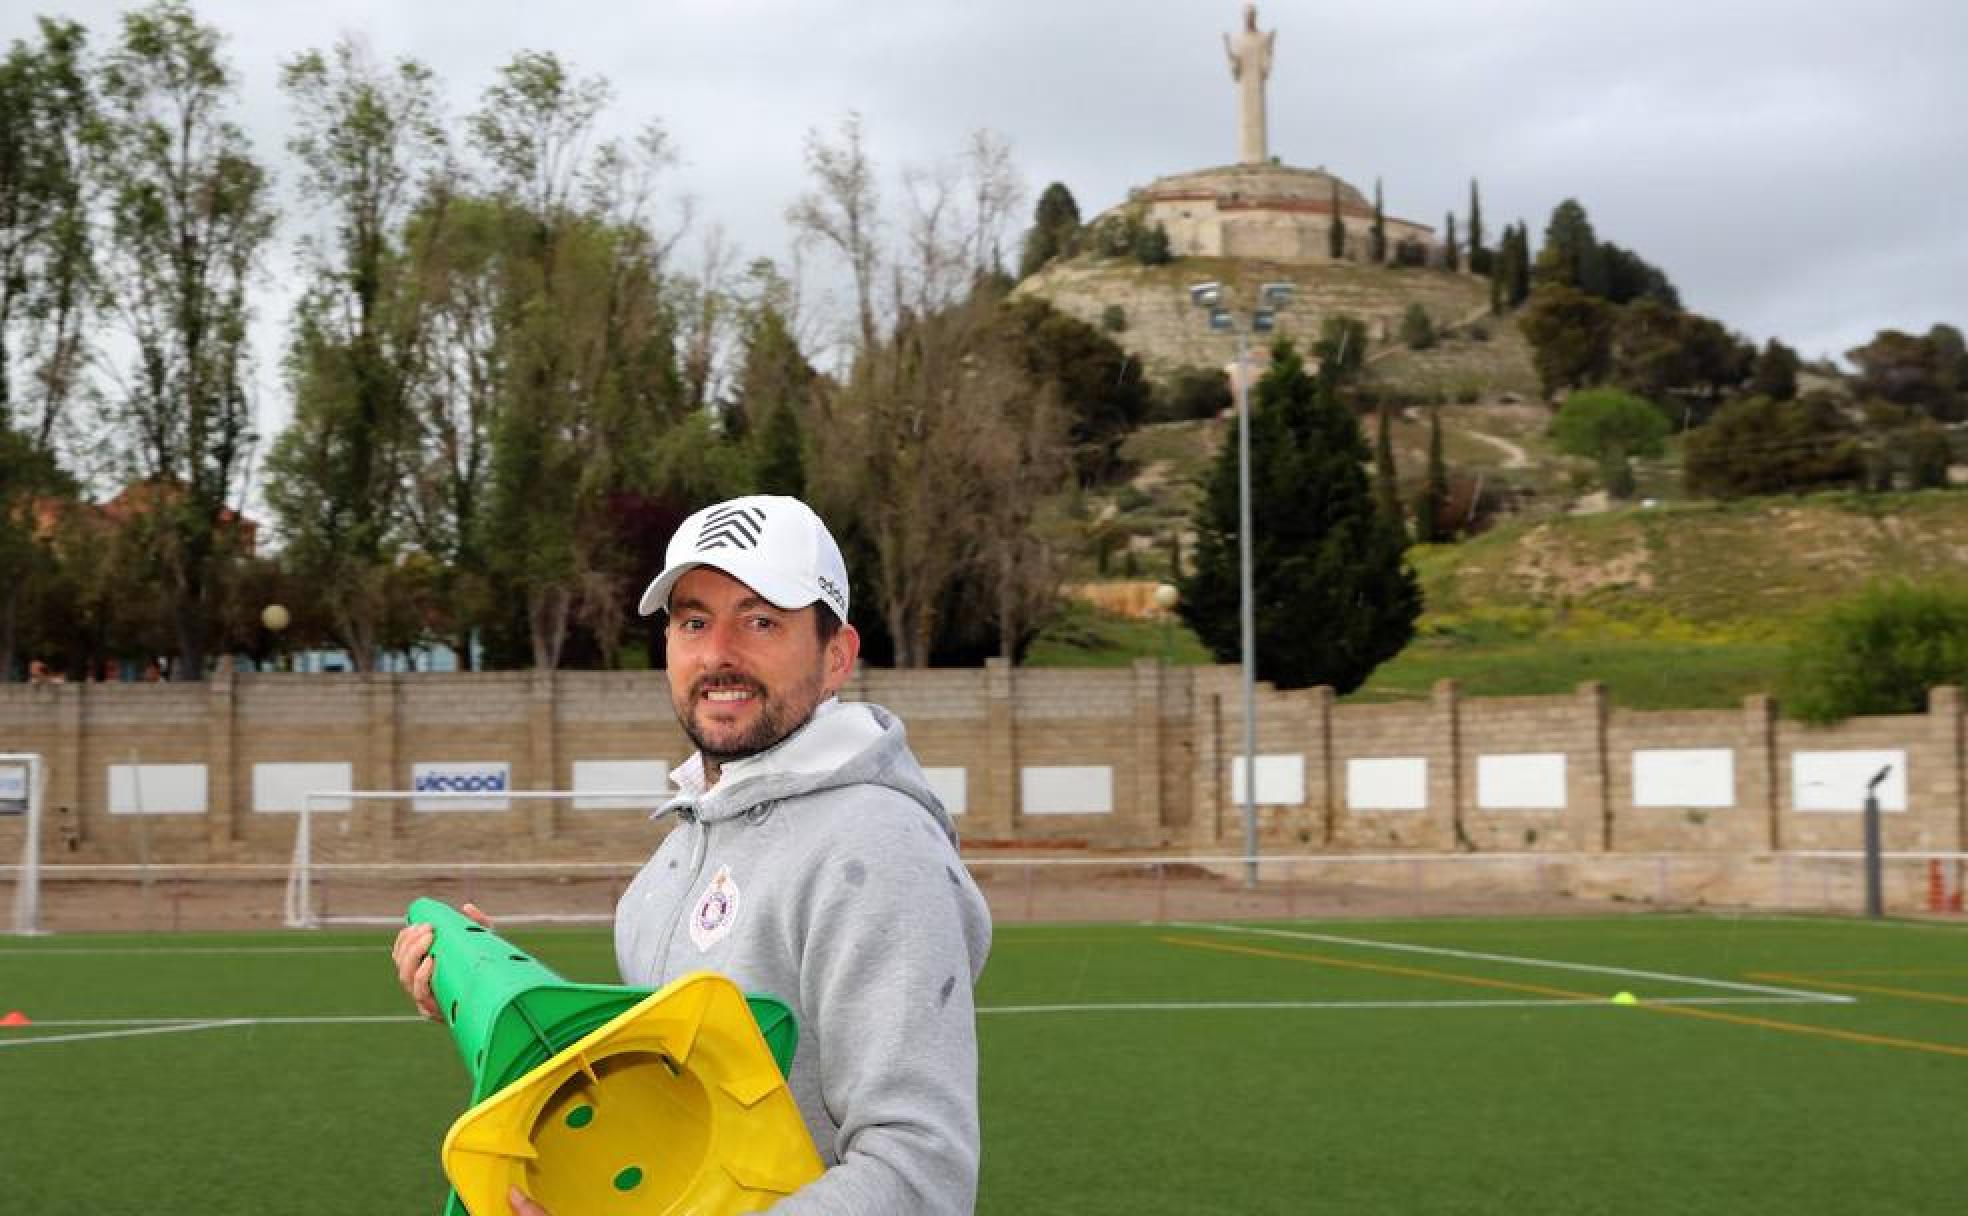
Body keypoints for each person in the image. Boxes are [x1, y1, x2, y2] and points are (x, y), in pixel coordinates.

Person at [393, 494, 993, 1215]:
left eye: (761, 620)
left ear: (837, 657)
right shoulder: (668, 868)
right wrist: (482, 990)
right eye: (694, 621)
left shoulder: (876, 846)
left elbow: (920, 1176)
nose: (719, 655)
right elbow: (659, 1105)